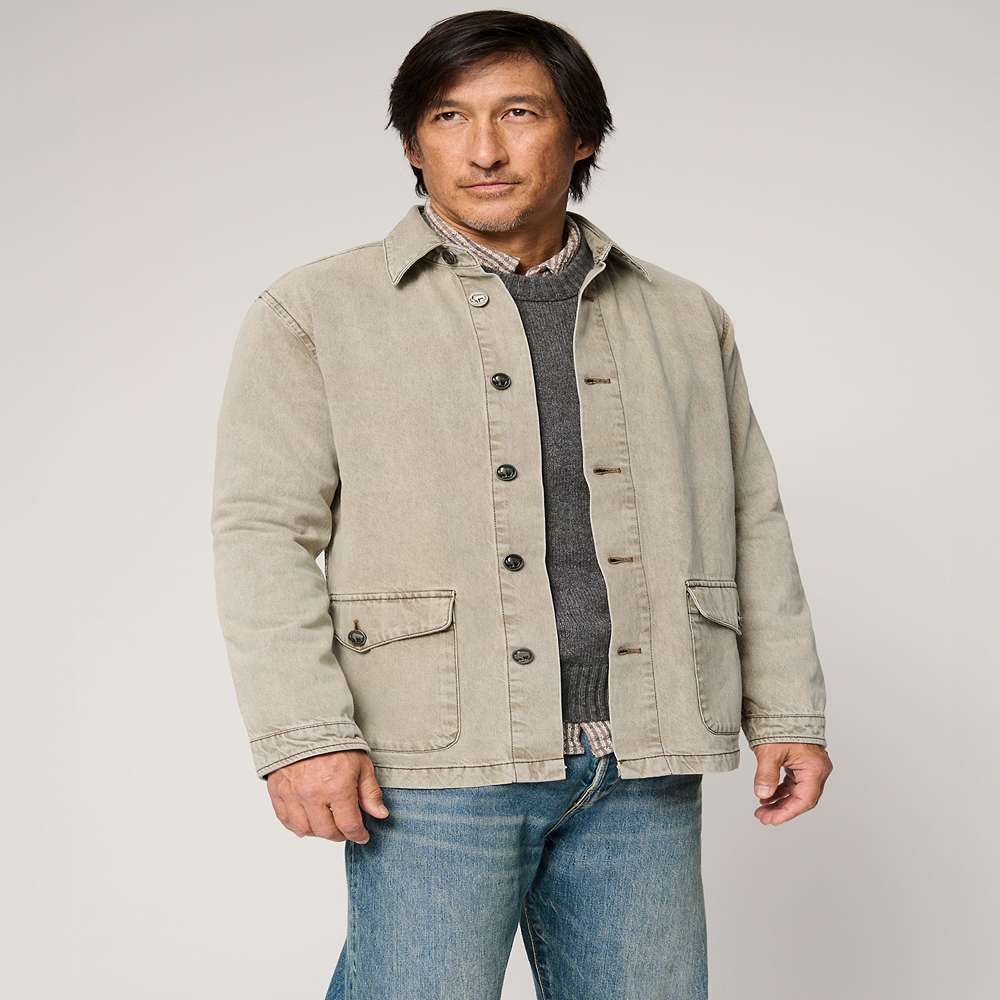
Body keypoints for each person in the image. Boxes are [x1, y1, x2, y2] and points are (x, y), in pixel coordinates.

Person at [210, 10, 833, 999]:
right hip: (435, 764)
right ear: (412, 144)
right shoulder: (318, 310)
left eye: (519, 113)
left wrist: (787, 710)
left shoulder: (682, 315)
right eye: (448, 117)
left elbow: (751, 517)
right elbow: (263, 532)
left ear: (580, 135)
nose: (484, 149)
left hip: (642, 755)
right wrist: (307, 735)